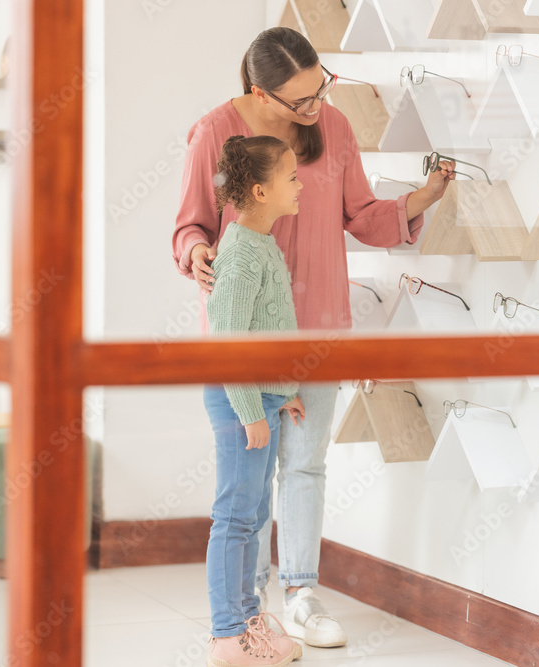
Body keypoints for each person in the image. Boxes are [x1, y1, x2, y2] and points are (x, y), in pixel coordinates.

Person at [172, 27, 455, 648]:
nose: (314, 108)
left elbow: (361, 217)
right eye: (299, 100)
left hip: (320, 327)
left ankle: (300, 595)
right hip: (246, 337)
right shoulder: (214, 134)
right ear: (259, 92)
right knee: (247, 483)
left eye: (320, 89)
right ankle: (246, 614)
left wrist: (420, 199)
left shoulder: (335, 127)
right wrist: (195, 252)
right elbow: (190, 224)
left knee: (304, 464)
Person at [203, 134, 306, 666]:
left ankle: (248, 620)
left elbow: (269, 330)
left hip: (261, 396)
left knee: (254, 512)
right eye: (292, 177)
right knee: (236, 516)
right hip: (238, 398)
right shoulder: (242, 253)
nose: (300, 184)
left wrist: (282, 393)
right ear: (262, 190)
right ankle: (227, 635)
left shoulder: (263, 242)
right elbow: (228, 344)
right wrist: (250, 412)